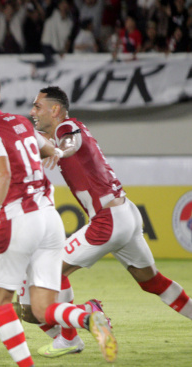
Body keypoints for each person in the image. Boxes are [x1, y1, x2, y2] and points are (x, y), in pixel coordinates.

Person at [28, 85, 192, 355]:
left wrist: (59, 152)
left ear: (55, 110)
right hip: (125, 213)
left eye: (37, 107)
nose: (33, 111)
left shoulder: (65, 128)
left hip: (107, 220)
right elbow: (40, 139)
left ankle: (73, 333)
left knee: (48, 271)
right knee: (150, 281)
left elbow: (68, 142)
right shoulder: (62, 130)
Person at [0, 72, 116, 366]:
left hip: (18, 219)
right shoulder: (21, 122)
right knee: (41, 307)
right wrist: (55, 153)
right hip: (49, 218)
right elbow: (50, 149)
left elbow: (1, 172)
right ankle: (88, 318)